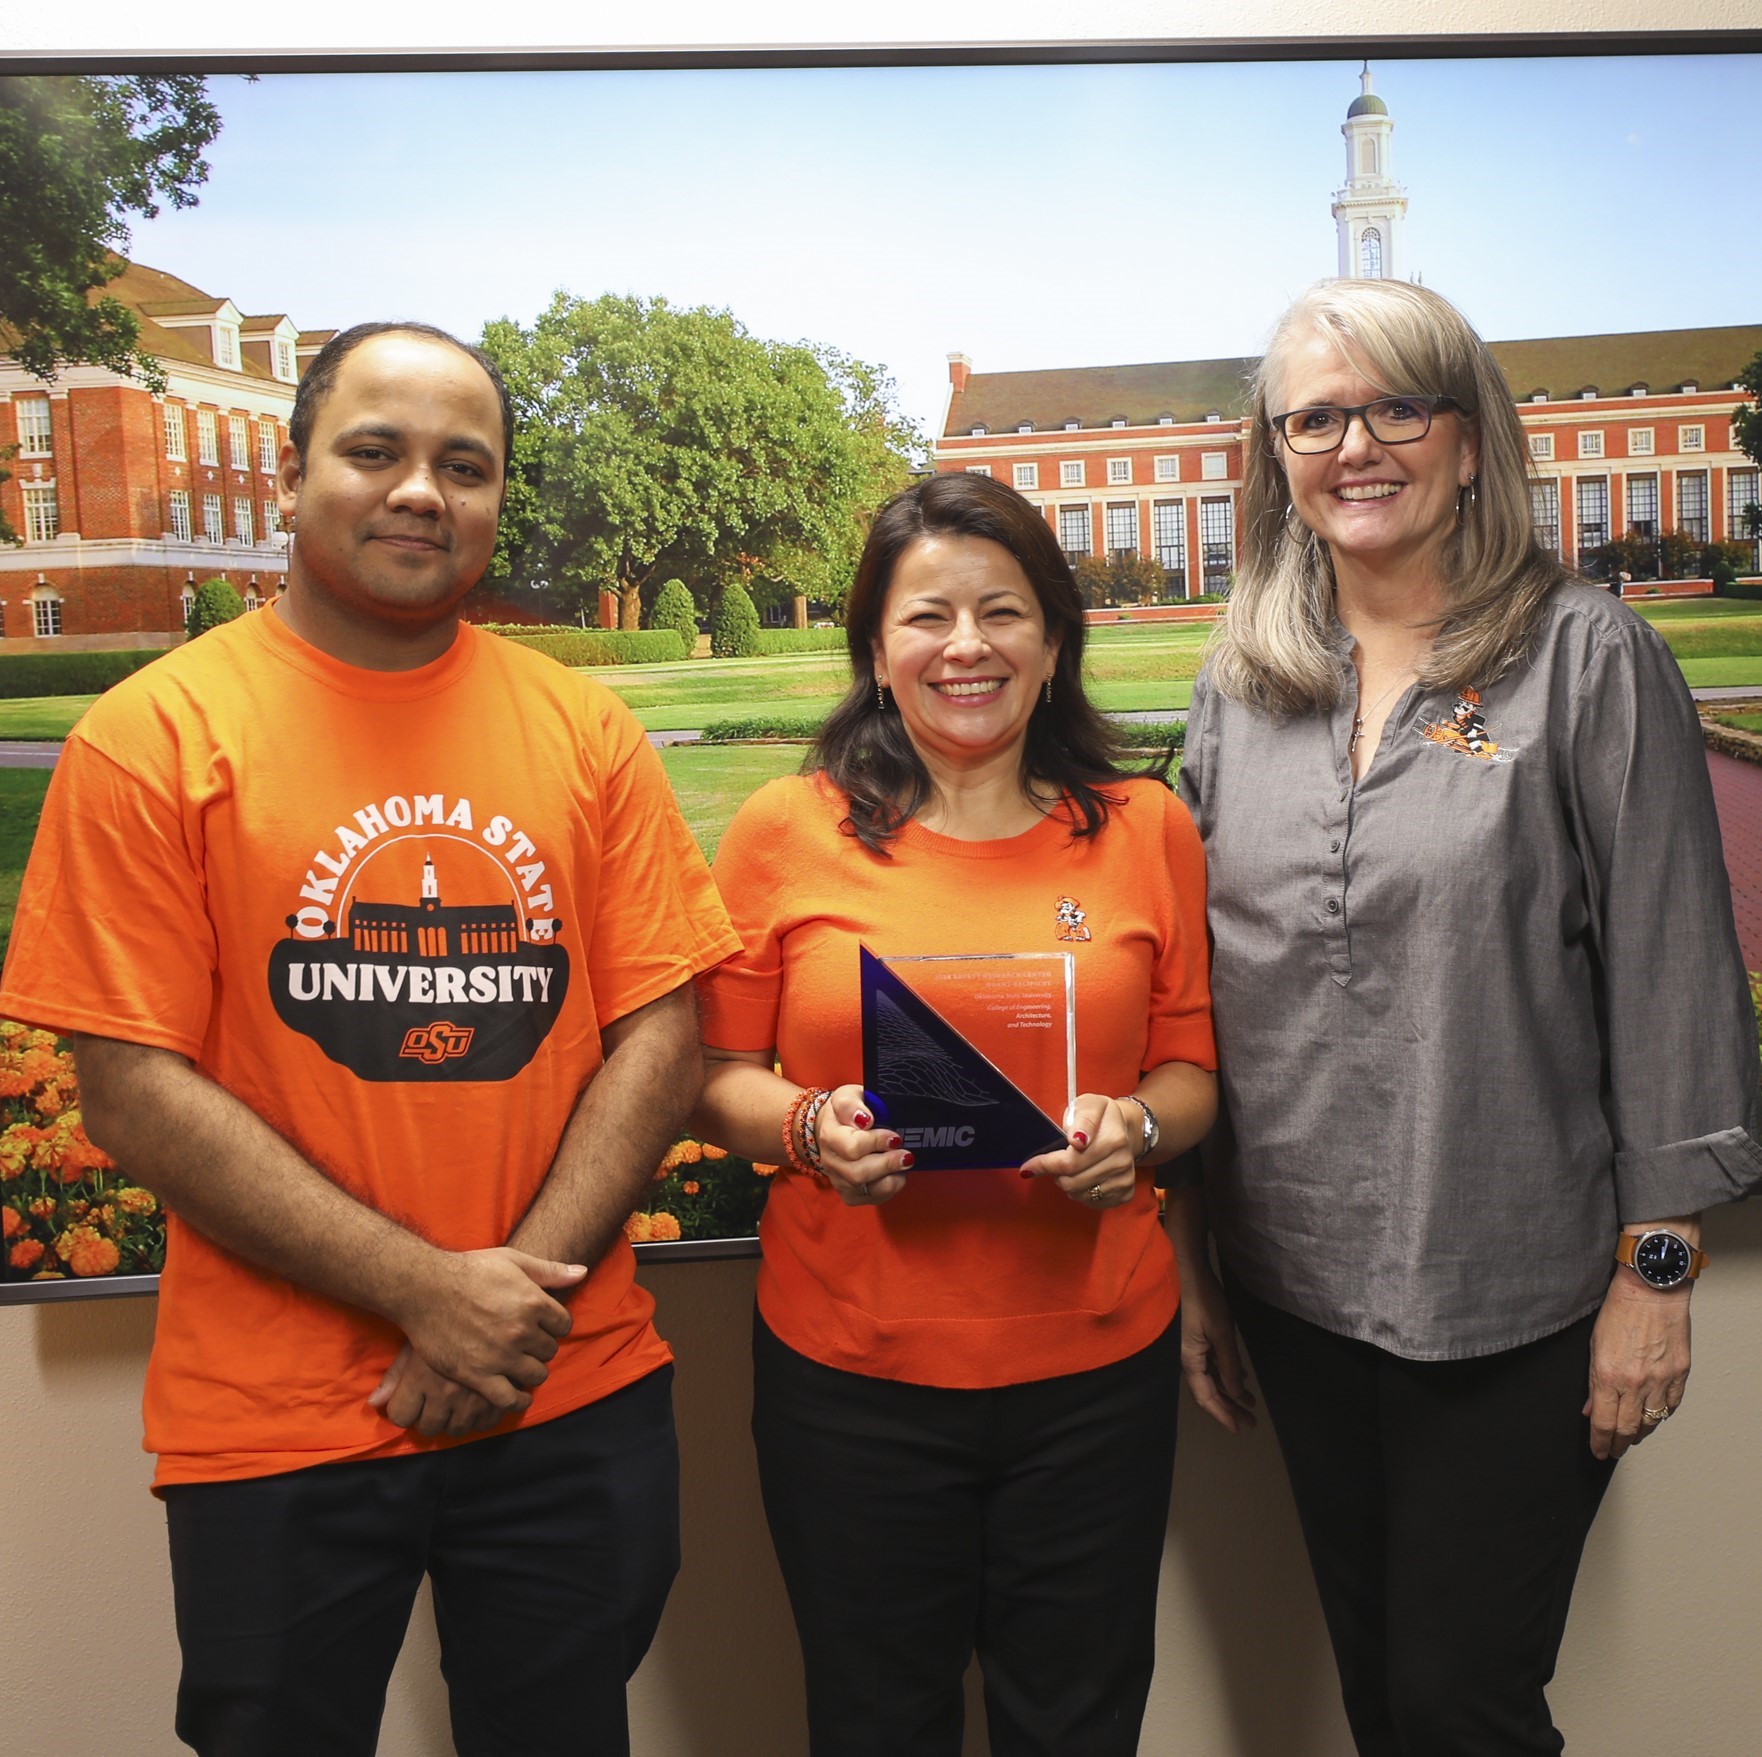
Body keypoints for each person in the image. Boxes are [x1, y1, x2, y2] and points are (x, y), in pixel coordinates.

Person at [0, 322, 740, 1756]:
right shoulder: (152, 738)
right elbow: (132, 1093)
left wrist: (496, 1317)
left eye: (464, 466)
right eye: (376, 451)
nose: (421, 492)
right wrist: (426, 1293)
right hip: (277, 1418)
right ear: (289, 478)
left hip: (564, 1391)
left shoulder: (583, 731)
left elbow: (661, 1030)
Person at [1176, 278, 1762, 1756]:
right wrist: (1195, 1260)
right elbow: (1198, 979)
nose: (1353, 444)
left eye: (1394, 406)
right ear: (1275, 456)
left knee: (1459, 1705)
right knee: (1384, 1697)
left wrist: (1659, 1271)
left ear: (1464, 435)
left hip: (1514, 1294)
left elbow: (1674, 974)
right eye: (1314, 416)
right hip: (1293, 1283)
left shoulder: (1584, 659)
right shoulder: (1239, 689)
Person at [691, 471, 1232, 1757]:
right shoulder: (782, 831)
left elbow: (1193, 1072)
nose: (966, 645)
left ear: (1053, 642)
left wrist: (1138, 1132)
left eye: (1003, 611)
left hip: (1096, 1374)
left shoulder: (1147, 828)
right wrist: (809, 1125)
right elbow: (710, 1077)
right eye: (926, 615)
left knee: (1080, 1724)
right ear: (877, 650)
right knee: (877, 1722)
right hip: (850, 1375)